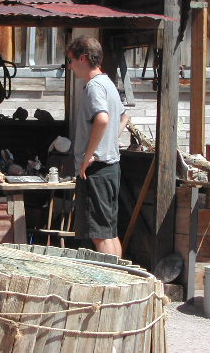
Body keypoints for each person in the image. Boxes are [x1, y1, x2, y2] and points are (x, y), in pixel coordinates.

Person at [65, 36, 130, 256]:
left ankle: (111, 287)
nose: (71, 66)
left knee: (99, 235)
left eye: (71, 61)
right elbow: (124, 117)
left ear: (83, 58)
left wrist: (88, 156)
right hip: (111, 168)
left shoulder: (94, 87)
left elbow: (102, 119)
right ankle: (121, 283)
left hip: (97, 170)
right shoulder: (108, 83)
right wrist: (107, 142)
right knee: (109, 232)